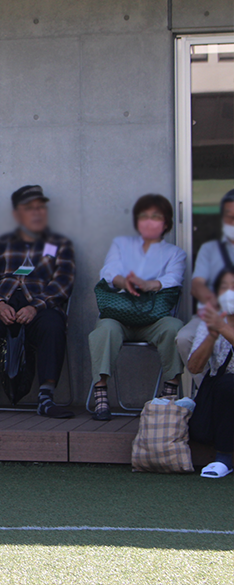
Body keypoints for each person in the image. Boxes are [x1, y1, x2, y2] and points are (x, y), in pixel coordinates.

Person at [0, 185, 75, 418]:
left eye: (40, 207)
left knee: (54, 325)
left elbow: (63, 285)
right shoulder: (1, 244)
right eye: (29, 208)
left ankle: (46, 398)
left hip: (40, 308)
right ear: (17, 215)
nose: (37, 212)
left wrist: (35, 306)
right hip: (5, 307)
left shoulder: (60, 244)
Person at [88, 194, 186, 420]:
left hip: (153, 319)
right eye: (144, 217)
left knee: (175, 327)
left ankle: (170, 390)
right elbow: (109, 273)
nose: (149, 222)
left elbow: (175, 278)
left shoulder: (175, 254)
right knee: (105, 330)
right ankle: (101, 391)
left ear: (167, 223)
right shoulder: (121, 245)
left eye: (156, 217)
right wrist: (126, 282)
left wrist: (151, 284)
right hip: (118, 316)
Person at [176, 189, 234, 382]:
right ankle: (206, 394)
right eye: (229, 217)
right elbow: (197, 286)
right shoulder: (210, 249)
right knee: (185, 338)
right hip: (212, 312)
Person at [186, 269, 234, 479]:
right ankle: (223, 459)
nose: (229, 292)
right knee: (226, 385)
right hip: (222, 394)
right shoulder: (212, 318)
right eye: (224, 287)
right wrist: (212, 335)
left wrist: (223, 329)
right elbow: (194, 367)